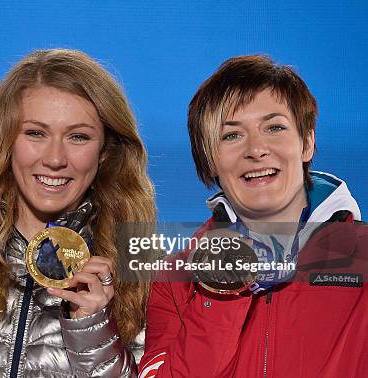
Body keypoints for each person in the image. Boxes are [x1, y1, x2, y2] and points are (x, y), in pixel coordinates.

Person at [0, 49, 156, 377]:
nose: (55, 158)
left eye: (78, 137)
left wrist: (92, 329)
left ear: (105, 152)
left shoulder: (141, 272)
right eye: (36, 133)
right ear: (5, 142)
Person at [139, 55, 367, 377]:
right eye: (231, 135)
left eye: (274, 127)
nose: (256, 149)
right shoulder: (174, 278)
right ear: (209, 160)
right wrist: (221, 286)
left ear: (307, 143)